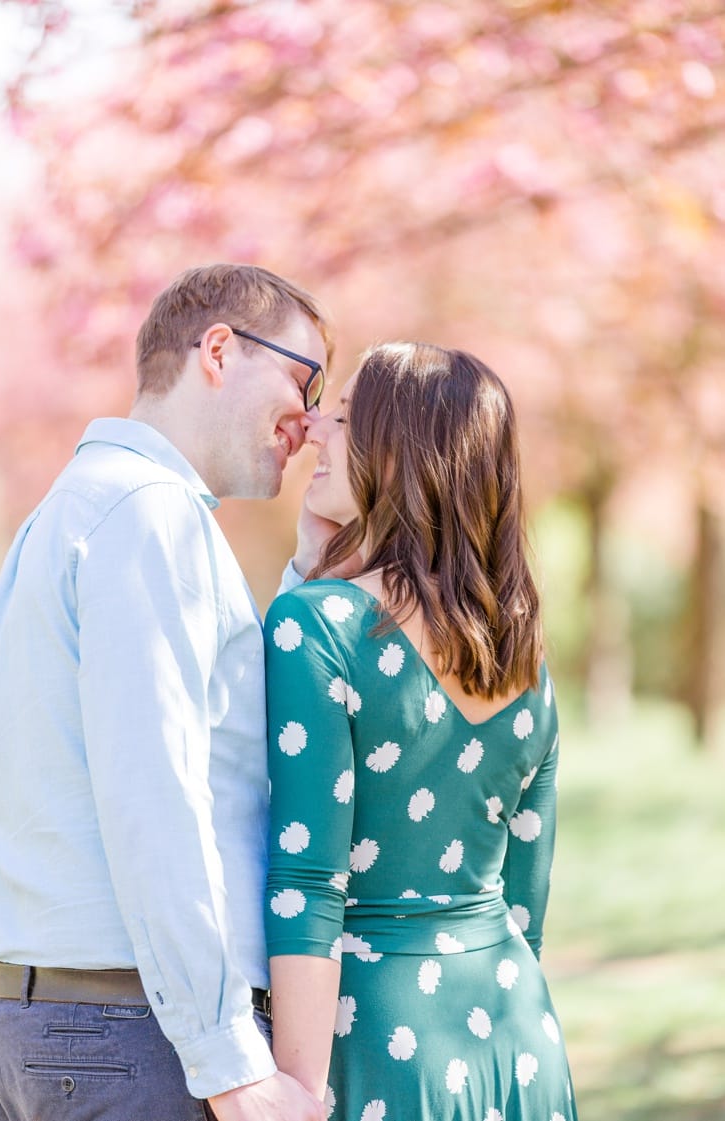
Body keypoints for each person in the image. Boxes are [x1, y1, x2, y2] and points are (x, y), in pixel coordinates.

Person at [0, 263, 332, 1121]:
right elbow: (156, 797)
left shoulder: (80, 510)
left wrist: (314, 561)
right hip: (133, 1036)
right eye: (304, 376)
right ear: (220, 349)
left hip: (60, 1023)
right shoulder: (149, 516)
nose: (314, 420)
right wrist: (229, 1063)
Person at [262, 343, 577, 1120]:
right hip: (515, 1038)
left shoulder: (317, 626)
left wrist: (296, 1095)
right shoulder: (521, 659)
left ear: (394, 452)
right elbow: (523, 904)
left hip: (372, 1045)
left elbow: (308, 886)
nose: (312, 433)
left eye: (341, 418)